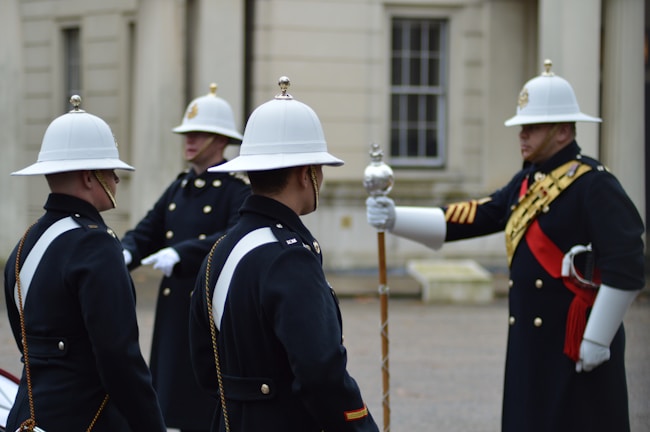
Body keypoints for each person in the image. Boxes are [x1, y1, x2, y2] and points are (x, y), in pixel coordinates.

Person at [366, 60, 645, 432]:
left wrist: (597, 336)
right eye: (521, 127)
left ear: (563, 131)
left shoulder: (595, 185)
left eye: (532, 127)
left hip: (575, 346)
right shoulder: (527, 181)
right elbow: (476, 214)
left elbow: (627, 267)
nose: (522, 135)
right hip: (531, 348)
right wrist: (396, 218)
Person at [189, 77, 379, 432]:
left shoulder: (220, 249)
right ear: (305, 173)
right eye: (317, 168)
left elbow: (204, 367)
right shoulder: (290, 258)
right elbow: (321, 373)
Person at [4, 95, 166, 431]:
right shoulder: (95, 244)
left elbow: (28, 343)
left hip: (28, 417)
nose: (117, 180)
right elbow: (120, 358)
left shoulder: (26, 242)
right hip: (87, 419)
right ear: (89, 176)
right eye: (110, 169)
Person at [120, 83, 250, 431]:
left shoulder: (237, 189)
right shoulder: (179, 188)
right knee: (169, 401)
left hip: (207, 306)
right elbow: (147, 230)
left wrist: (182, 253)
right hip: (173, 309)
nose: (189, 140)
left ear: (220, 141)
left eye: (200, 134)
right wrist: (123, 252)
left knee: (200, 402)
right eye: (187, 134)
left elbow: (233, 237)